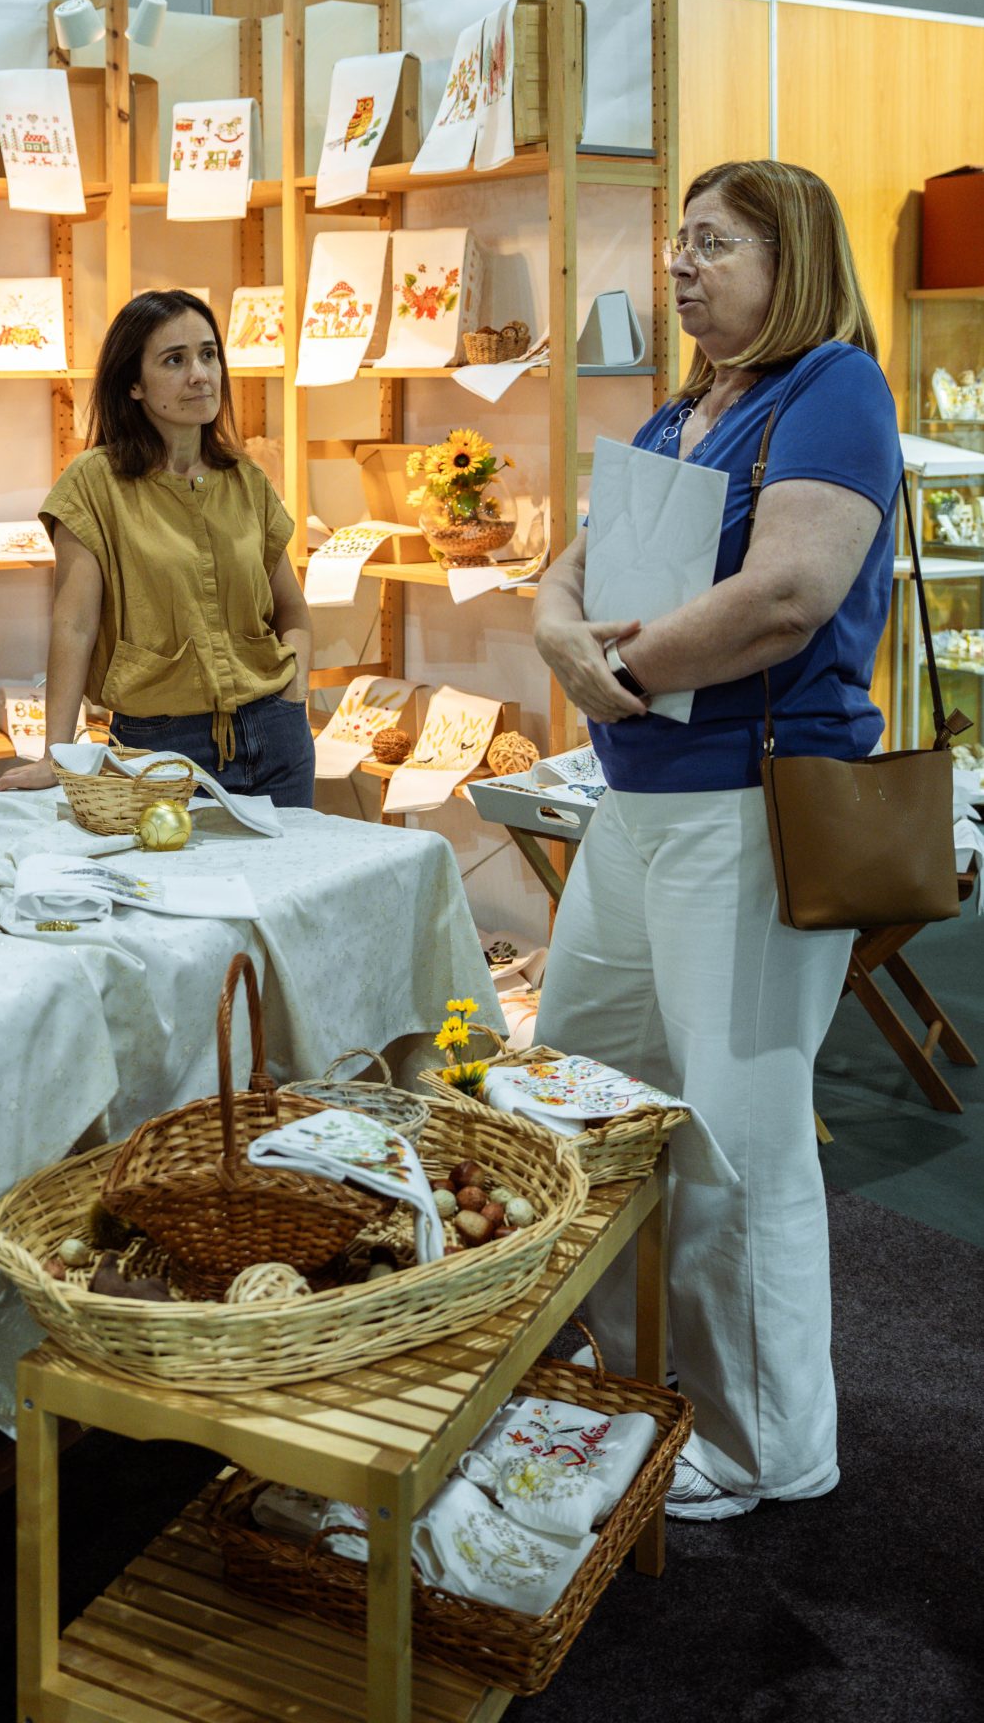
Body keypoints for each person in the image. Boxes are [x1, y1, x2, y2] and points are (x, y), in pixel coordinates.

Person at [531, 159, 901, 1521]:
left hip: (748, 803)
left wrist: (608, 668)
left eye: (714, 243)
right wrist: (556, 625)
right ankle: (640, 1376)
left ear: (789, 260)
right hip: (635, 798)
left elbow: (789, 592)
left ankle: (760, 1446)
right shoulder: (686, 405)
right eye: (679, 242)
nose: (680, 265)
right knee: (588, 1091)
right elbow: (577, 559)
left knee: (736, 1134)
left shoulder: (832, 389)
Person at [0, 289, 315, 804]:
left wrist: (294, 699)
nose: (200, 375)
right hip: (161, 749)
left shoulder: (246, 479)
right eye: (175, 360)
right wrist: (56, 754)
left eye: (208, 354)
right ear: (134, 384)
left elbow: (292, 611)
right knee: (170, 862)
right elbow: (75, 626)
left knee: (296, 861)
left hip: (277, 737)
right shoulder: (94, 483)